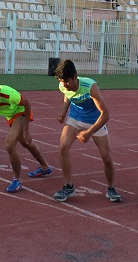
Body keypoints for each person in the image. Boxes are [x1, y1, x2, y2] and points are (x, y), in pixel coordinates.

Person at [52, 59, 122, 203]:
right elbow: (68, 96)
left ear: (75, 77)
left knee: (106, 157)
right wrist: (63, 112)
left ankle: (111, 188)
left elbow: (106, 115)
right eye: (62, 81)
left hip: (95, 121)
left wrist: (89, 132)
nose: (65, 85)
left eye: (67, 81)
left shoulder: (90, 87)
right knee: (63, 147)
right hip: (75, 118)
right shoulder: (63, 85)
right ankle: (68, 186)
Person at [0, 76, 52, 193]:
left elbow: (26, 103)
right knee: (26, 143)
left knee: (9, 144)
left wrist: (26, 130)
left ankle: (17, 180)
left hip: (20, 112)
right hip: (10, 116)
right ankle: (45, 167)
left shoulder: (9, 94)